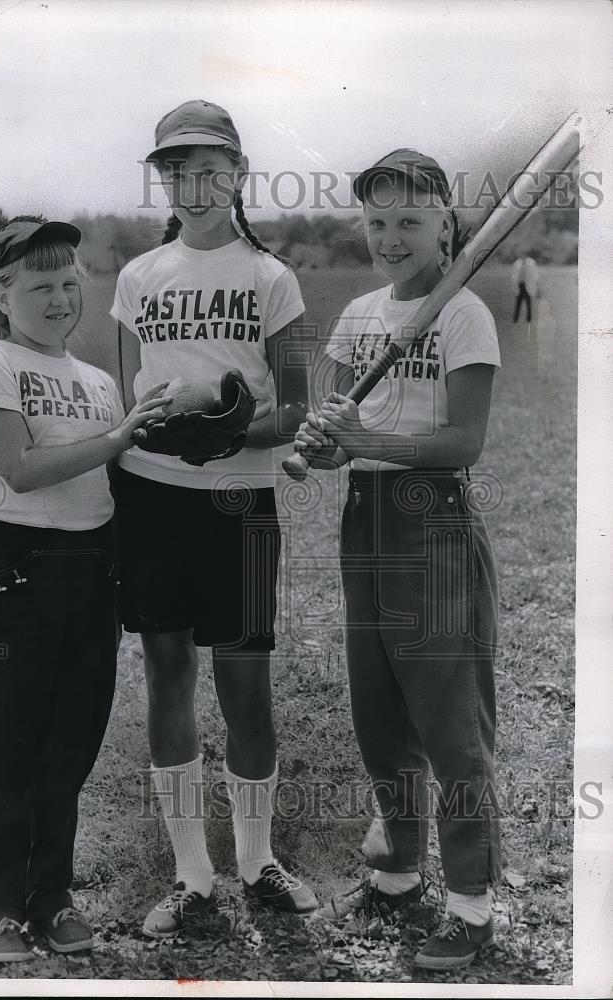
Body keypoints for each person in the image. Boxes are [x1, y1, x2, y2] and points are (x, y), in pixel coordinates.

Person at [110, 99, 318, 938]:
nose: (191, 184)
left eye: (208, 168)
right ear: (161, 179)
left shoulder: (272, 278)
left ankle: (257, 860)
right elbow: (131, 397)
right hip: (151, 494)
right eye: (174, 169)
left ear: (236, 174)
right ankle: (193, 877)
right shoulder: (135, 277)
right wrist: (161, 428)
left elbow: (295, 409)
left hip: (238, 499)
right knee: (167, 672)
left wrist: (225, 426)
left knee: (245, 682)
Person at [295, 150, 502, 970]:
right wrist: (323, 444)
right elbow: (333, 429)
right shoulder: (356, 316)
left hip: (432, 523)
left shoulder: (465, 315)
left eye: (409, 221)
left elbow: (463, 444)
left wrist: (362, 441)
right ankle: (396, 876)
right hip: (365, 523)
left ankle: (471, 904)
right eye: (376, 221)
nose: (389, 237)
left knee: (449, 722)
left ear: (444, 224)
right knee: (378, 712)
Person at [0, 215, 170, 963]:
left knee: (70, 740)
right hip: (12, 564)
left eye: (68, 282)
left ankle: (53, 896)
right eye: (38, 284)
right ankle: (1, 907)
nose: (57, 298)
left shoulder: (99, 381)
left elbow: (112, 483)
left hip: (89, 567)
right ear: (0, 291)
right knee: (6, 741)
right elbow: (19, 469)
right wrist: (118, 438)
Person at [511, 250, 539, 323]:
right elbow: (514, 274)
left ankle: (529, 318)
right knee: (518, 302)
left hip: (528, 284)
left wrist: (535, 284)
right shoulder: (517, 263)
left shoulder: (531, 262)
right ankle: (515, 318)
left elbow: (535, 274)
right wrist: (514, 285)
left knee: (528, 302)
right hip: (520, 285)